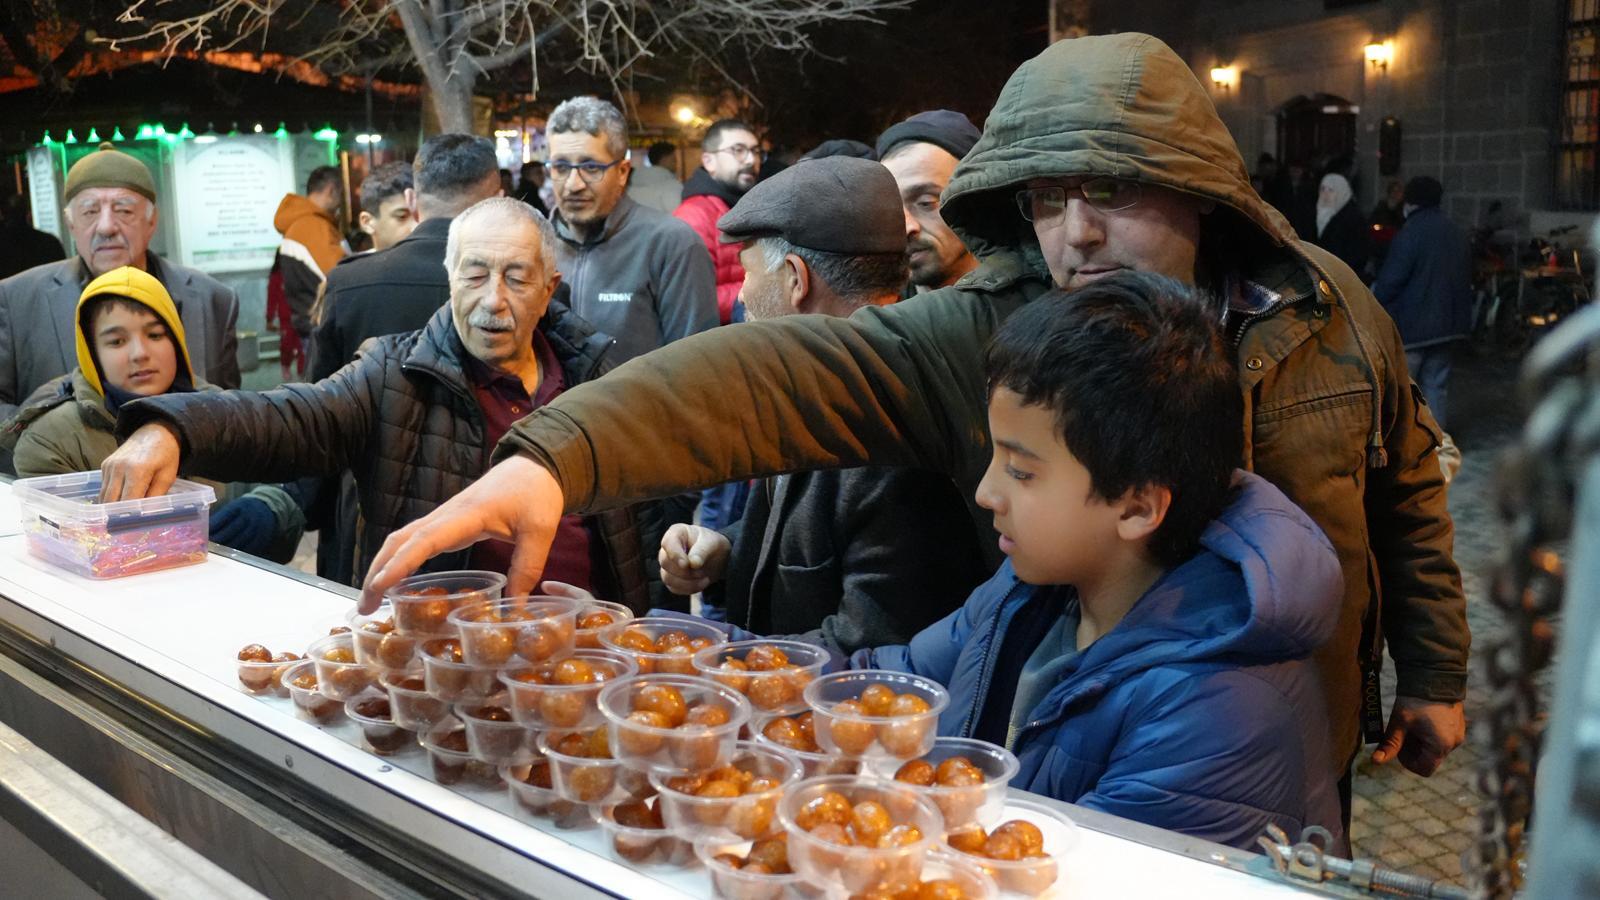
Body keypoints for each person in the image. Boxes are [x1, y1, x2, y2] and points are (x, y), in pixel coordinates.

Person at [209, 34, 1478, 816]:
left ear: (1199, 194)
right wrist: (551, 458)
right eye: (1045, 200)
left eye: (1112, 194)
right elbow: (774, 376)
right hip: (1082, 760)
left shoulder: (1326, 301)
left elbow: (1404, 482)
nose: (1075, 234)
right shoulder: (1000, 332)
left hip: (1282, 733)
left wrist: (1431, 677)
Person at [859, 273, 1343, 850]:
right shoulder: (1031, 590)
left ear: (1137, 507)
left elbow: (1076, 873)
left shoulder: (1217, 713)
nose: (987, 491)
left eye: (1021, 471)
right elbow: (898, 681)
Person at [103, 199, 649, 606]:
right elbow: (289, 416)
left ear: (549, 288)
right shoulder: (393, 374)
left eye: (516, 278)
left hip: (588, 646)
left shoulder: (598, 381)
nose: (492, 300)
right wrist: (173, 429)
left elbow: (643, 522)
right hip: (443, 652)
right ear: (450, 279)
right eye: (475, 274)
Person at [657, 157, 988, 652]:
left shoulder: (893, 434)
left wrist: (716, 656)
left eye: (748, 272)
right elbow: (803, 537)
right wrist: (725, 547)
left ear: (796, 278)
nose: (742, 293)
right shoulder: (817, 382)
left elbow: (876, 647)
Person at [1, 267, 301, 562]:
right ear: (92, 353)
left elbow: (284, 486)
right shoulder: (49, 440)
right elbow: (64, 551)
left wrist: (267, 510)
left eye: (156, 334)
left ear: (177, 341)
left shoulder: (223, 408)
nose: (140, 353)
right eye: (116, 341)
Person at [0, 142, 240, 434]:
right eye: (89, 212)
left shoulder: (212, 299)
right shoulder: (15, 301)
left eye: (123, 210)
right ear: (71, 224)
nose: (105, 227)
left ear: (152, 221)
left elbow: (230, 416)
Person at [309, 134, 502, 382]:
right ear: (499, 201)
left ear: (411, 200)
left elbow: (318, 398)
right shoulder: (523, 285)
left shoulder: (347, 284)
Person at [546, 96, 718, 365]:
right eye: (561, 167)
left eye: (591, 167)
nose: (573, 184)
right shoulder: (533, 246)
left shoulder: (673, 244)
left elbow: (695, 370)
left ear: (623, 172)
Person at [1372, 176, 1471, 431]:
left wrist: (1373, 303)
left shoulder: (1410, 233)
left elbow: (1391, 281)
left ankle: (1403, 453)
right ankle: (1436, 447)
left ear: (1411, 201)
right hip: (1448, 326)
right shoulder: (1455, 231)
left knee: (1403, 391)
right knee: (1436, 388)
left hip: (1413, 327)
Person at [875, 110, 983, 294]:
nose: (905, 227)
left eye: (925, 203)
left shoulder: (1032, 304)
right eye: (890, 208)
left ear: (979, 197)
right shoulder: (872, 313)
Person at [675, 118, 762, 324]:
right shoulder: (694, 215)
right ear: (708, 161)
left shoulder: (747, 206)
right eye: (738, 150)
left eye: (756, 151)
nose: (750, 160)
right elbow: (693, 299)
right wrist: (766, 290)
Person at [272, 165, 347, 374]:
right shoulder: (313, 227)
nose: (342, 201)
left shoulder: (300, 225)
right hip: (323, 328)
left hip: (310, 324)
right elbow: (342, 276)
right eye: (341, 193)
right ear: (332, 190)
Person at [1312, 173, 1369, 277]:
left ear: (1341, 192)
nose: (1325, 194)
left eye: (1331, 190)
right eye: (1323, 189)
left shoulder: (1354, 219)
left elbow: (1357, 255)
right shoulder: (1316, 213)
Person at [355, 161, 418, 253]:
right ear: (367, 222)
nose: (416, 226)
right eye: (402, 216)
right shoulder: (356, 267)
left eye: (420, 216)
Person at [0, 192, 65, 280]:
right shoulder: (49, 242)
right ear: (29, 214)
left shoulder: (4, 244)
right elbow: (62, 275)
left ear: (3, 215)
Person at [627, 141, 683, 214]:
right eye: (674, 159)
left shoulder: (630, 187)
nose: (676, 163)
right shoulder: (672, 186)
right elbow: (680, 217)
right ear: (665, 159)